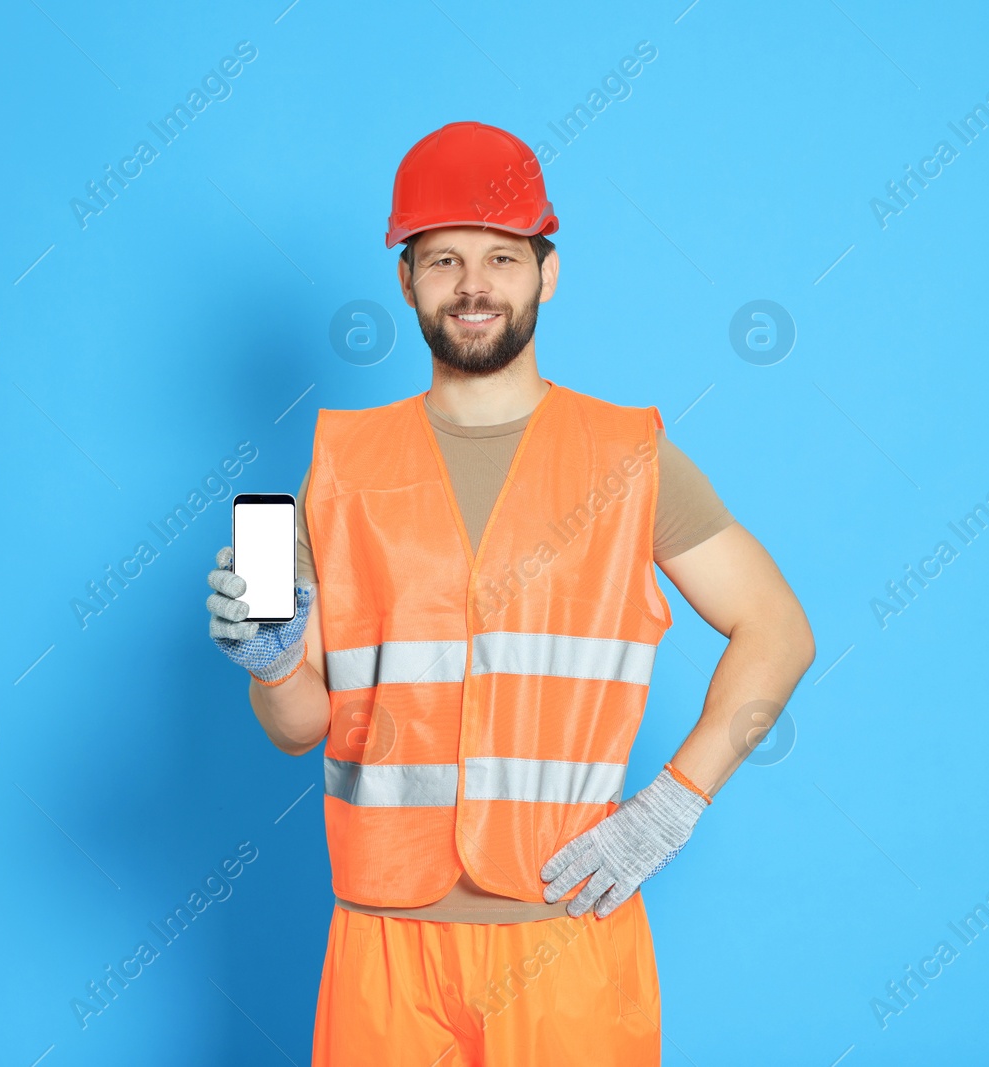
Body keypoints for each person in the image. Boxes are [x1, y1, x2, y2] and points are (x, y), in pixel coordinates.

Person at [205, 120, 815, 1066]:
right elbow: (295, 727)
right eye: (443, 259)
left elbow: (777, 629)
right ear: (407, 280)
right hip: (383, 938)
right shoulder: (338, 470)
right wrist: (275, 660)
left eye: (500, 256)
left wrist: (670, 807)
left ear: (547, 272)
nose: (474, 284)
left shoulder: (629, 458)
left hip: (566, 927)